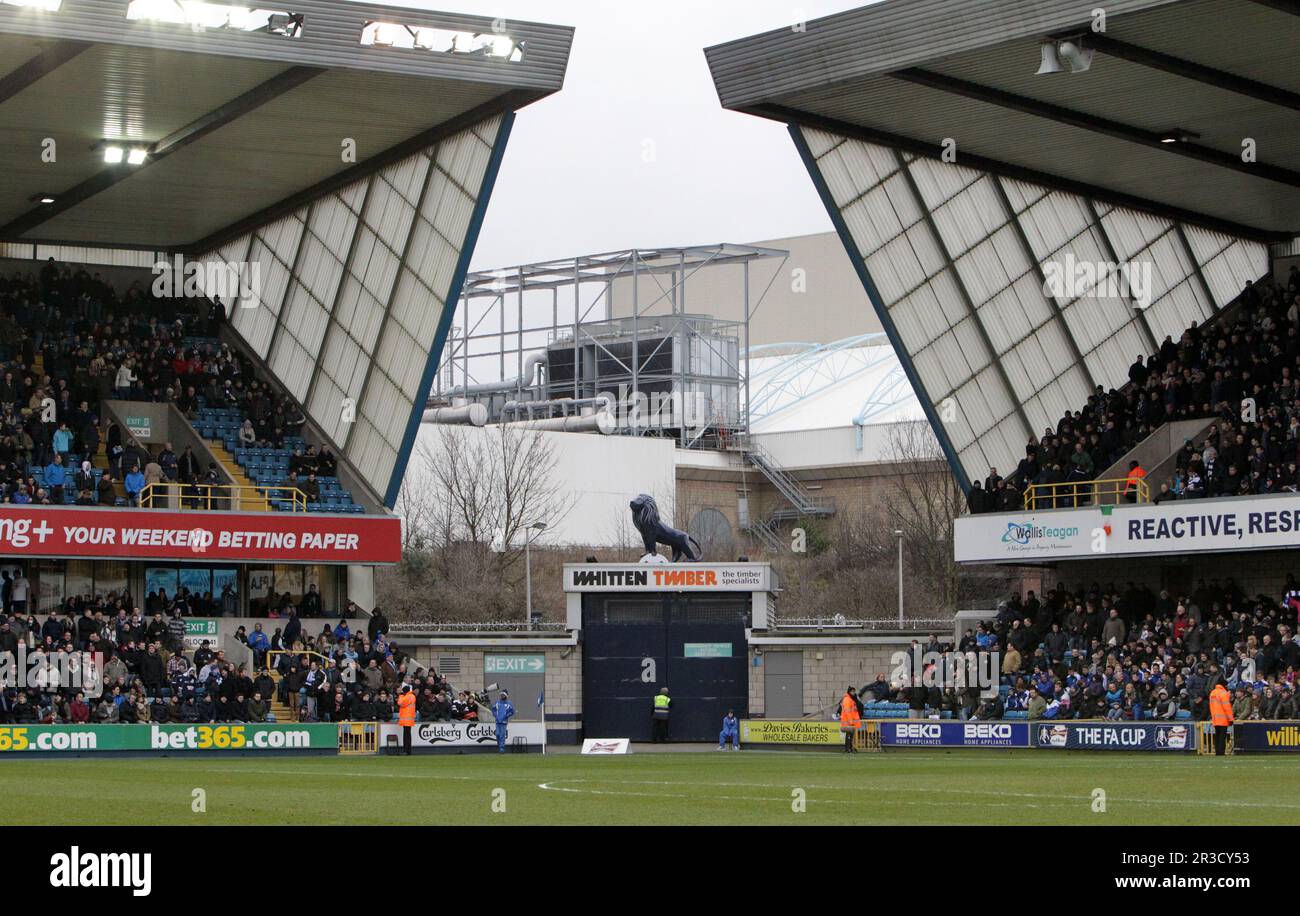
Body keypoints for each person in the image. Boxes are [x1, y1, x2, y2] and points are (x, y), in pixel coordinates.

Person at [1209, 679, 1234, 756]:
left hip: (1215, 719)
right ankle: (1221, 752)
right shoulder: (1224, 693)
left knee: (1217, 736)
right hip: (1223, 719)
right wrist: (1230, 719)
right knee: (1222, 737)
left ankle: (1217, 752)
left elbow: (1211, 706)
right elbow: (1227, 708)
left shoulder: (1212, 693)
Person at [491, 690, 516, 754]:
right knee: (497, 734)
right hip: (497, 721)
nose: (502, 696)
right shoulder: (497, 702)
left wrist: (506, 716)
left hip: (504, 722)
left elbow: (513, 711)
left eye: (503, 695)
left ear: (506, 695)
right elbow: (493, 710)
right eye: (501, 695)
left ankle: (502, 748)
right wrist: (496, 716)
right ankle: (500, 746)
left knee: (502, 734)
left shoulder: (509, 703)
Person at [839, 685, 861, 753]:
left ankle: (849, 748)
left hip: (849, 721)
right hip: (848, 722)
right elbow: (847, 712)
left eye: (854, 691)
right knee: (849, 735)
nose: (854, 693)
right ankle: (848, 748)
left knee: (850, 735)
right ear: (849, 692)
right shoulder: (847, 700)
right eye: (852, 691)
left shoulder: (850, 699)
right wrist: (851, 721)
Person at [397, 683, 416, 756]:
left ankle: (405, 751)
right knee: (408, 735)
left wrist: (401, 696)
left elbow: (400, 703)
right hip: (409, 718)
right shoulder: (412, 696)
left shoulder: (406, 696)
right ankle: (408, 751)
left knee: (406, 736)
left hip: (406, 719)